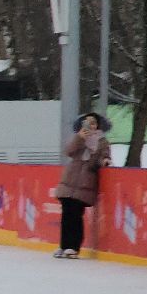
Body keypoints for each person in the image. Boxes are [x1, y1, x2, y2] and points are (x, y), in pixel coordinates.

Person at [54, 111, 113, 259]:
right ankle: (64, 245)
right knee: (66, 214)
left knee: (76, 214)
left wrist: (104, 161)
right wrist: (79, 137)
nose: (90, 125)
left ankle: (73, 247)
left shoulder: (102, 142)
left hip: (85, 183)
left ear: (97, 125)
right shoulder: (79, 138)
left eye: (93, 123)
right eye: (87, 122)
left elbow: (104, 157)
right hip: (69, 182)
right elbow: (69, 151)